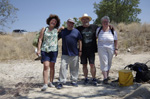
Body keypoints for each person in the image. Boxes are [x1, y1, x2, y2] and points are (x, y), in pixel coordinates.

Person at [56, 18, 82, 89]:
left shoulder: (76, 31)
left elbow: (80, 41)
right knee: (63, 67)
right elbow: (56, 38)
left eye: (72, 23)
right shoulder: (63, 31)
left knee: (74, 68)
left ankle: (74, 81)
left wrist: (80, 50)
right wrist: (58, 30)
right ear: (67, 23)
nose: (71, 24)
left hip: (75, 53)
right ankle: (61, 82)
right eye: (69, 23)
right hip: (65, 53)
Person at [37, 14, 60, 91]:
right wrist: (39, 49)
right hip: (45, 50)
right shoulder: (44, 29)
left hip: (54, 50)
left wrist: (62, 28)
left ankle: (51, 82)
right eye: (52, 20)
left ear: (56, 23)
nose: (53, 22)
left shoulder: (57, 30)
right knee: (46, 66)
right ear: (49, 21)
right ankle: (45, 84)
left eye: (55, 21)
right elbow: (40, 39)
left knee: (52, 67)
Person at [76, 13, 98, 85]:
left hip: (91, 50)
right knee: (84, 65)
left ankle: (94, 78)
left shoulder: (94, 27)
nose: (85, 20)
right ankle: (86, 78)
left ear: (89, 20)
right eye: (83, 19)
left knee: (92, 64)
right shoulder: (79, 28)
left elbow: (104, 28)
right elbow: (71, 30)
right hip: (83, 50)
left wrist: (110, 26)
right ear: (81, 20)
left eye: (86, 19)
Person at [96, 16, 118, 84]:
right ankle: (105, 78)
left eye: (106, 21)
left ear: (109, 22)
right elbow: (95, 38)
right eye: (104, 22)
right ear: (101, 23)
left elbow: (116, 40)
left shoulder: (112, 30)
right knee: (104, 62)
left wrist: (116, 49)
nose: (105, 23)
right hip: (101, 48)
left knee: (109, 62)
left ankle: (107, 76)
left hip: (111, 48)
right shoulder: (98, 30)